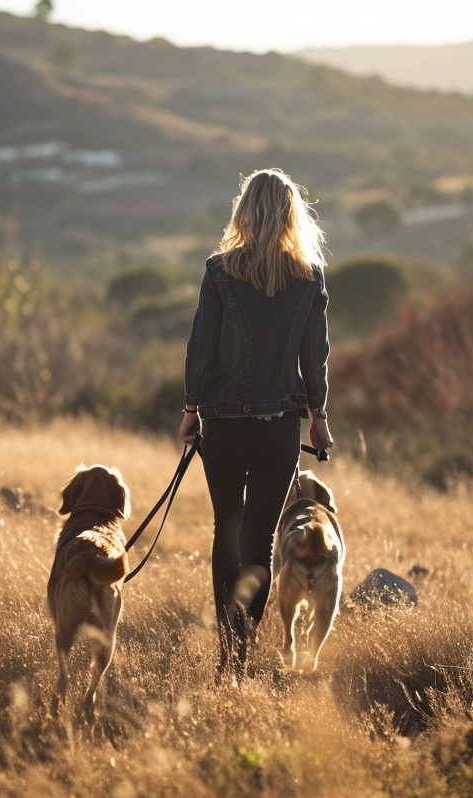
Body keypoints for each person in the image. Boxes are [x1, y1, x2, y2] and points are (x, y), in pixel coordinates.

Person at [178, 168, 334, 678]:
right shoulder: (309, 277)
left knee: (227, 530)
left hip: (222, 423)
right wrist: (319, 416)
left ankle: (229, 644)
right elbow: (316, 356)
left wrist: (190, 409)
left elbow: (201, 349)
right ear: (293, 215)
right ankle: (242, 642)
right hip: (278, 430)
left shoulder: (219, 271)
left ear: (243, 212)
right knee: (260, 542)